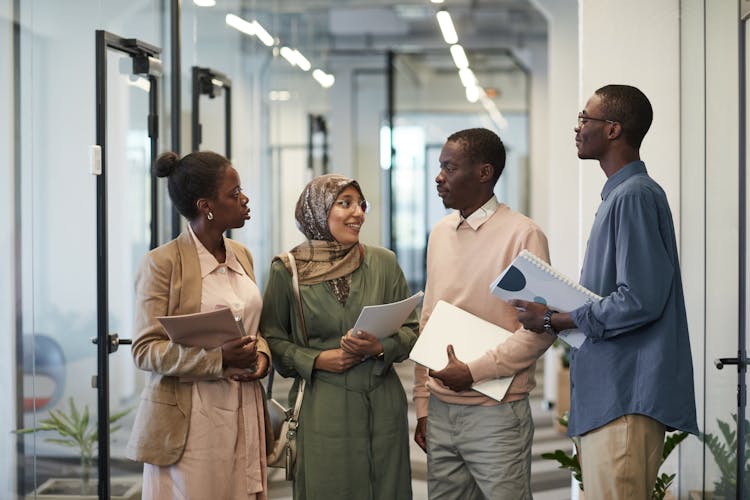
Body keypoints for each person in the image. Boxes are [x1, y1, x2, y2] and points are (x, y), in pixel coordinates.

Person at [512, 84, 699, 499]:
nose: (577, 128)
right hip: (612, 395)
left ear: (613, 129)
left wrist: (555, 318)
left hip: (625, 396)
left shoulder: (632, 196)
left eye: (585, 119)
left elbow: (639, 299)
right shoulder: (621, 195)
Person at [413, 128, 555, 500]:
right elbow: (428, 320)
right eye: (439, 167)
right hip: (441, 411)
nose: (438, 177)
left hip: (496, 413)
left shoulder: (523, 234)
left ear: (484, 172)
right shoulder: (440, 233)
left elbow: (539, 329)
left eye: (449, 166)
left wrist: (474, 372)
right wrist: (423, 403)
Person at [260, 174, 417, 500]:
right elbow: (272, 338)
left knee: (387, 487)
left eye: (361, 204)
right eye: (344, 203)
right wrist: (316, 360)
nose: (357, 213)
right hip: (323, 405)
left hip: (382, 401)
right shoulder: (288, 270)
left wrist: (380, 347)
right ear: (317, 210)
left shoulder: (383, 263)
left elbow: (411, 330)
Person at [126, 151, 271, 500]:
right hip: (192, 420)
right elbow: (145, 351)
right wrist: (218, 359)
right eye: (234, 193)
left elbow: (253, 326)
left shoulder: (242, 255)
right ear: (206, 205)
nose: (244, 199)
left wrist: (261, 355)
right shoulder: (161, 264)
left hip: (245, 406)